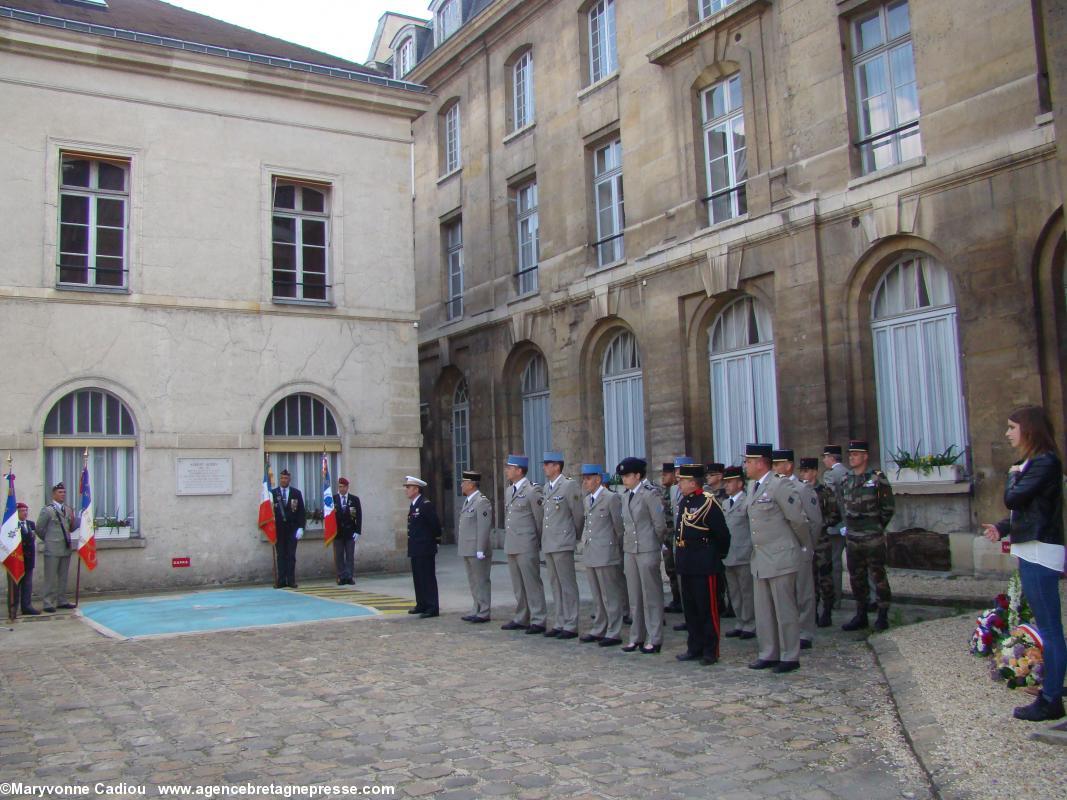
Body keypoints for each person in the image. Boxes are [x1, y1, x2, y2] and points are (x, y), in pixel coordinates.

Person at [982, 406, 1066, 721]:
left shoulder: (1044, 462)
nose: (1007, 433)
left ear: (1028, 429)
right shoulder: (1032, 463)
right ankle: (1055, 684)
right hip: (1031, 547)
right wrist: (1001, 528)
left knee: (1050, 628)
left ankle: (1051, 698)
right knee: (1048, 626)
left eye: (1011, 427)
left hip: (1040, 550)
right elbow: (1025, 510)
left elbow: (1014, 498)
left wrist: (1012, 476)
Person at [745, 443, 808, 674]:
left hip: (780, 555)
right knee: (764, 611)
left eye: (749, 462)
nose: (746, 466)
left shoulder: (779, 484)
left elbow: (798, 520)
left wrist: (802, 547)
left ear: (761, 462)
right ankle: (768, 652)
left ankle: (790, 655)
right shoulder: (753, 487)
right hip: (761, 557)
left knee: (785, 610)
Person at [673, 463, 731, 665]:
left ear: (692, 482)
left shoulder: (708, 502)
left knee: (707, 608)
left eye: (682, 480)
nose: (678, 483)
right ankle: (694, 646)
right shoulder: (685, 501)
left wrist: (717, 555)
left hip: (704, 562)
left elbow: (722, 534)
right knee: (691, 609)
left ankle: (710, 650)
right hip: (686, 561)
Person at [840, 440, 895, 632]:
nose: (851, 457)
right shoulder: (846, 479)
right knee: (857, 577)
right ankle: (861, 613)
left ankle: (882, 614)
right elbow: (843, 505)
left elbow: (888, 507)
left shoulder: (877, 478)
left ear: (865, 456)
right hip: (853, 537)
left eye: (856, 454)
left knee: (878, 576)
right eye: (850, 454)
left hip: (872, 536)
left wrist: (876, 526)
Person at [772, 449, 822, 649]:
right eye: (773, 465)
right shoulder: (773, 487)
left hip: (799, 546)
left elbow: (815, 522)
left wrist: (808, 546)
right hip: (780, 549)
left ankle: (805, 631)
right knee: (785, 593)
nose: (775, 468)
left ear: (788, 466)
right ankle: (788, 630)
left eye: (778, 464)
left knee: (803, 591)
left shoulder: (801, 489)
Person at [618, 457, 667, 654]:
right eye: (622, 476)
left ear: (638, 475)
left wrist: (656, 544)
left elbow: (660, 524)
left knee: (651, 595)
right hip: (630, 550)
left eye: (628, 476)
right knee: (635, 596)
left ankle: (654, 638)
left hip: (647, 548)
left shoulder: (650, 494)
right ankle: (636, 636)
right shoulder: (625, 496)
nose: (624, 479)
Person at [578, 464, 626, 647]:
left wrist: (616, 549)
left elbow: (618, 527)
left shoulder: (610, 498)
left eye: (588, 478)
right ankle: (600, 627)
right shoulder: (587, 499)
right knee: (597, 594)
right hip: (591, 551)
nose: (585, 482)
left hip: (606, 552)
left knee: (609, 594)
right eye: (584, 478)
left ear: (598, 479)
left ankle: (614, 631)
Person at [501, 454, 547, 634]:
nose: (507, 470)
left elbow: (539, 518)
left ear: (519, 470)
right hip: (512, 542)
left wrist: (536, 540)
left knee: (531, 582)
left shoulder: (532, 490)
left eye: (510, 468)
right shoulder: (509, 490)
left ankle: (538, 618)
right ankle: (521, 616)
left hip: (527, 542)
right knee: (518, 584)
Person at [540, 452, 583, 640]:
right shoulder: (546, 488)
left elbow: (578, 515)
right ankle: (559, 621)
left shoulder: (568, 485)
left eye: (548, 464)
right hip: (549, 542)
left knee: (567, 584)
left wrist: (573, 536)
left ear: (557, 466)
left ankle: (571, 623)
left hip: (563, 541)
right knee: (555, 584)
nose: (544, 467)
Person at [799, 457, 842, 628]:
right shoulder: (798, 491)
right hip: (805, 540)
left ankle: (827, 609)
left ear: (815, 472)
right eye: (802, 471)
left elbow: (835, 514)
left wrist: (820, 524)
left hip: (822, 540)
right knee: (809, 579)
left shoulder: (824, 492)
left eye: (807, 471)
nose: (804, 474)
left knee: (825, 577)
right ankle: (813, 610)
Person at [721, 466, 755, 640]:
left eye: (730, 482)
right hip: (729, 555)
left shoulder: (747, 501)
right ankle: (740, 621)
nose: (726, 485)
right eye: (725, 482)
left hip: (744, 553)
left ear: (740, 483)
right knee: (734, 592)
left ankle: (750, 623)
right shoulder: (726, 503)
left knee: (747, 591)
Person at [35, 482, 80, 612]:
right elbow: (39, 528)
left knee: (63, 576)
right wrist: (48, 539)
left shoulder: (68, 509)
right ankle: (48, 602)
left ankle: (61, 600)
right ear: (53, 494)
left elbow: (70, 526)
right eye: (60, 492)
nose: (63, 495)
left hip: (65, 547)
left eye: (64, 492)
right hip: (53, 548)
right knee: (50, 577)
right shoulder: (48, 510)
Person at [458, 470, 493, 623]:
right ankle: (476, 607)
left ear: (471, 484)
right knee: (473, 580)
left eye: (464, 482)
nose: (461, 485)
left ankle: (484, 610)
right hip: (467, 548)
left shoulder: (481, 501)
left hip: (476, 549)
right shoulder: (468, 501)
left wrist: (481, 548)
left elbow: (484, 527)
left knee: (481, 580)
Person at [403, 475, 440, 618]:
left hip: (425, 547)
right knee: (418, 577)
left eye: (408, 487)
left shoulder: (425, 504)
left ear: (416, 489)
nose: (406, 490)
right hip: (416, 547)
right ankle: (422, 603)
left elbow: (435, 525)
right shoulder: (414, 505)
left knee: (427, 578)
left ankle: (432, 606)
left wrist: (434, 541)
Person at [822, 445, 849, 609]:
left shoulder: (830, 475)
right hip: (850, 523)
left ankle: (836, 599)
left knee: (835, 562)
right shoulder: (848, 472)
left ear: (831, 458)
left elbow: (830, 500)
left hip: (836, 524)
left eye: (825, 457)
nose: (824, 461)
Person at [271, 469, 305, 589]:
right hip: (279, 530)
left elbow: (301, 512)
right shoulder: (273, 493)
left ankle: (291, 580)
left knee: (291, 555)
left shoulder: (296, 493)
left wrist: (301, 527)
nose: (283, 480)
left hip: (292, 529)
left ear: (289, 480)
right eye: (281, 478)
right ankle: (281, 580)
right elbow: (270, 512)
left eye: (286, 478)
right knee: (281, 555)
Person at [660, 463, 684, 613]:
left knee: (680, 571)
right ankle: (677, 599)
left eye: (666, 474)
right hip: (668, 536)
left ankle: (682, 601)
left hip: (678, 535)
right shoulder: (666, 491)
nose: (663, 477)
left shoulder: (679, 491)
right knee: (671, 569)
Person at [333, 477, 362, 586]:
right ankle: (341, 576)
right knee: (339, 556)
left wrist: (358, 531)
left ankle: (349, 576)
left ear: (347, 487)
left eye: (342, 487)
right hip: (338, 533)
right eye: (339, 487)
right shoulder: (333, 499)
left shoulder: (354, 499)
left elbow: (358, 516)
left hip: (350, 532)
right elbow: (330, 517)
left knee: (350, 555)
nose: (340, 489)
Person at [15, 502, 39, 615]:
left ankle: (27, 606)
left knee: (27, 584)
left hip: (29, 559)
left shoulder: (30, 524)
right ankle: (13, 607)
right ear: (17, 512)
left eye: (26, 510)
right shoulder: (13, 525)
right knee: (15, 584)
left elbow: (32, 539)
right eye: (22, 510)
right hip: (17, 559)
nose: (25, 513)